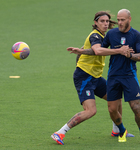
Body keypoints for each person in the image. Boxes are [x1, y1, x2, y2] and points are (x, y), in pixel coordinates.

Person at [51, 11, 134, 145]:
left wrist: (81, 52)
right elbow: (98, 51)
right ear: (95, 23)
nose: (105, 24)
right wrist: (119, 51)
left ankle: (117, 130)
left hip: (95, 77)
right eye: (102, 21)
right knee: (91, 111)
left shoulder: (102, 36)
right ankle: (60, 132)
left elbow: (89, 50)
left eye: (107, 21)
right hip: (85, 77)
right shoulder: (95, 35)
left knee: (116, 97)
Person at [102, 9, 140, 145]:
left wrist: (129, 55)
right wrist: (82, 50)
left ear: (129, 19)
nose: (119, 22)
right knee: (112, 109)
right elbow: (100, 49)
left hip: (129, 76)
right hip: (113, 76)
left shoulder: (136, 35)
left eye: (122, 20)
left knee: (136, 108)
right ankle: (122, 131)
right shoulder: (111, 34)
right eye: (118, 19)